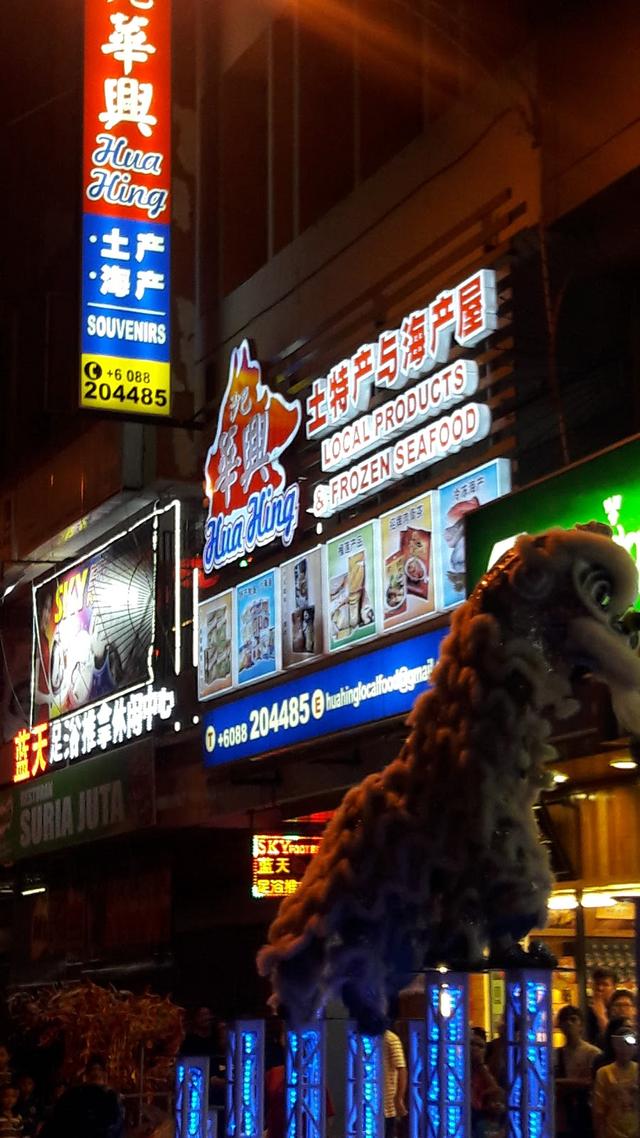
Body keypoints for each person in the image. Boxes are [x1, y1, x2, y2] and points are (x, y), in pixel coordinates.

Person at [46, 1055, 123, 1138]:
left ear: (104, 1074)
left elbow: (115, 1126)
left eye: (99, 1070)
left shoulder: (111, 1097)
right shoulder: (74, 1094)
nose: (96, 1073)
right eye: (93, 1069)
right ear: (87, 1074)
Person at [554, 1005, 601, 1138]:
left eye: (573, 1019)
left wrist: (560, 1082)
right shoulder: (556, 1054)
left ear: (581, 1024)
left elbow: (591, 1082)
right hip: (563, 1117)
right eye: (564, 1020)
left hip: (585, 1113)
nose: (568, 1023)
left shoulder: (593, 1053)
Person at [593, 1018, 638, 1138]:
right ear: (614, 1045)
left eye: (629, 1045)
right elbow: (599, 1110)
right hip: (612, 1132)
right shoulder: (604, 1073)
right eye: (620, 1045)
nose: (625, 1049)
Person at [180, 1009, 227, 1115]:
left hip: (219, 1086)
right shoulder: (189, 1042)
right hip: (198, 1086)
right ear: (196, 1019)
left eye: (208, 1015)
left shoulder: (215, 1041)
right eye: (203, 1015)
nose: (207, 1018)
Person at [470, 1027, 504, 1138]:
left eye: (480, 1046)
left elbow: (497, 1094)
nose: (475, 1049)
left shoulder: (488, 1072)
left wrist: (480, 1065)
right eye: (471, 1044)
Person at [383, 1029, 407, 1138]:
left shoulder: (391, 1039)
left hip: (388, 1105)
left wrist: (398, 1099)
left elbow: (401, 1070)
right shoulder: (391, 1039)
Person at [587, 969, 618, 1047]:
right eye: (597, 984)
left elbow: (613, 1041)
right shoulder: (585, 1009)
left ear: (614, 988)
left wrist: (600, 1015)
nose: (600, 988)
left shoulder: (618, 1010)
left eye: (605, 985)